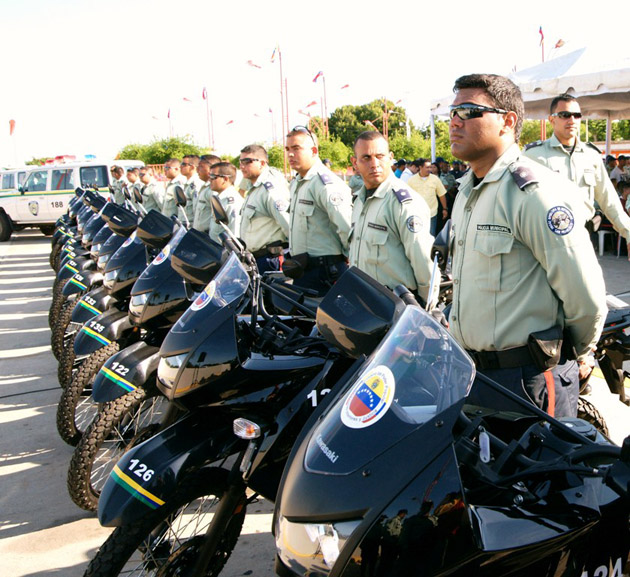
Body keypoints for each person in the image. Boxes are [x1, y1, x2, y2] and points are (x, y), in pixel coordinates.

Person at [448, 73, 607, 419]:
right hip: (474, 375)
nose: (455, 120)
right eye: (452, 111)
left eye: (469, 110)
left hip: (526, 380)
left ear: (508, 121)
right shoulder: (466, 193)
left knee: (541, 473)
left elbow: (585, 295)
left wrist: (568, 354)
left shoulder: (532, 192)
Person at [523, 93, 630, 257]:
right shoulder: (533, 155)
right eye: (565, 115)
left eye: (576, 115)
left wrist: (628, 232)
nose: (571, 120)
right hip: (547, 242)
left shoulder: (591, 155)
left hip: (583, 239)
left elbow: (608, 200)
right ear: (552, 120)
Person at [349, 131, 438, 306]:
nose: (374, 164)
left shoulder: (403, 202)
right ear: (355, 162)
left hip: (395, 306)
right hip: (364, 302)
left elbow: (423, 262)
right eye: (366, 157)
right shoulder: (360, 200)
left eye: (380, 156)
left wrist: (426, 307)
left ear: (391, 158)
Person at [283, 126, 352, 295]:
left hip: (325, 272)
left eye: (296, 148)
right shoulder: (298, 182)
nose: (290, 154)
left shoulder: (325, 184)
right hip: (303, 270)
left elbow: (347, 228)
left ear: (313, 150)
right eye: (288, 149)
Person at [238, 144, 290, 272]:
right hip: (256, 259)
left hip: (269, 260)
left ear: (261, 163)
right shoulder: (255, 187)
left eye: (247, 162)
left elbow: (289, 225)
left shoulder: (270, 190)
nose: (242, 166)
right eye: (240, 162)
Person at [407, 158, 449, 235]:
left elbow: (441, 194)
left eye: (430, 167)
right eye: (427, 167)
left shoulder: (435, 179)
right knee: (417, 237)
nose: (429, 169)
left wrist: (444, 209)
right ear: (420, 167)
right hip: (416, 214)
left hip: (431, 214)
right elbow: (407, 197)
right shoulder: (411, 180)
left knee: (430, 236)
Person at [207, 161, 243, 244]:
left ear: (225, 179)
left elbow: (235, 236)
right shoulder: (219, 198)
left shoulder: (233, 203)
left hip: (223, 252)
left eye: (213, 176)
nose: (209, 180)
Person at [192, 154, 222, 233]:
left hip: (208, 237)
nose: (197, 169)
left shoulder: (214, 190)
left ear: (212, 168)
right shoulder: (205, 187)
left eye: (201, 166)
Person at [179, 154, 202, 224]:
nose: (180, 166)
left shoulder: (196, 184)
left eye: (183, 164)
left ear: (192, 167)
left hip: (191, 225)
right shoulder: (187, 183)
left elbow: (197, 210)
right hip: (183, 224)